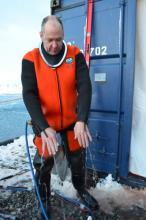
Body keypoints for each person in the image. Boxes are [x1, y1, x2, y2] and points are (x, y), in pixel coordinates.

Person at [21, 15, 99, 217]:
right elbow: (29, 94)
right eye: (49, 40)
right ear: (41, 36)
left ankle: (81, 190)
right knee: (44, 165)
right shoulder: (31, 59)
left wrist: (82, 120)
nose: (55, 45)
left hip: (73, 124)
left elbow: (85, 86)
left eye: (59, 39)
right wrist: (44, 127)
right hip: (46, 125)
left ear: (63, 36)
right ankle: (44, 198)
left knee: (77, 161)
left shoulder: (75, 54)